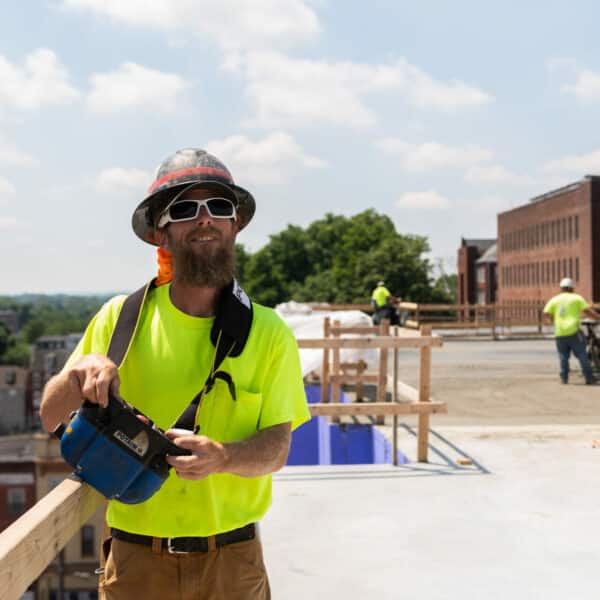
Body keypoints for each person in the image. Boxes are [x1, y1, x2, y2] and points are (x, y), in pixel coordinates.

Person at [39, 148, 310, 599]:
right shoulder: (120, 320)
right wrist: (77, 375)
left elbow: (276, 449)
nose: (204, 219)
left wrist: (223, 456)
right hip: (136, 563)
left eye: (218, 207)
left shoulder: (269, 332)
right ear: (159, 234)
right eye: (184, 209)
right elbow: (50, 417)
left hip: (233, 564)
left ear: (234, 225)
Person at [543, 277, 600, 385]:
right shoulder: (576, 298)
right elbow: (588, 311)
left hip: (559, 333)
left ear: (561, 288)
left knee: (563, 356)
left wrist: (552, 320)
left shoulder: (555, 299)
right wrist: (598, 317)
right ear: (572, 288)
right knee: (582, 354)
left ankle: (564, 378)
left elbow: (546, 312)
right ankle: (589, 378)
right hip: (573, 331)